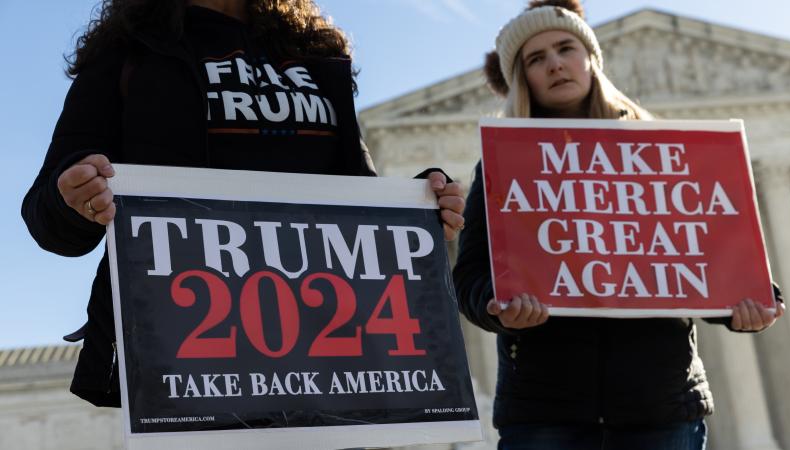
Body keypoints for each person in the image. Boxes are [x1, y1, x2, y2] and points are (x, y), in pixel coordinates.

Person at [22, 0, 465, 408]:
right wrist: (74, 200)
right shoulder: (127, 53)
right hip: (187, 361)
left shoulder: (314, 52)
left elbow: (356, 199)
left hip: (325, 358)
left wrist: (420, 208)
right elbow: (46, 212)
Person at [453, 1, 784, 449]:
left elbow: (707, 250)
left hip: (659, 404)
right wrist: (499, 307)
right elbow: (469, 275)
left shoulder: (667, 152)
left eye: (565, 48)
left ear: (590, 58)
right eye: (535, 58)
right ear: (520, 79)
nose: (554, 64)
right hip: (546, 407)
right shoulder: (499, 164)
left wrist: (749, 302)